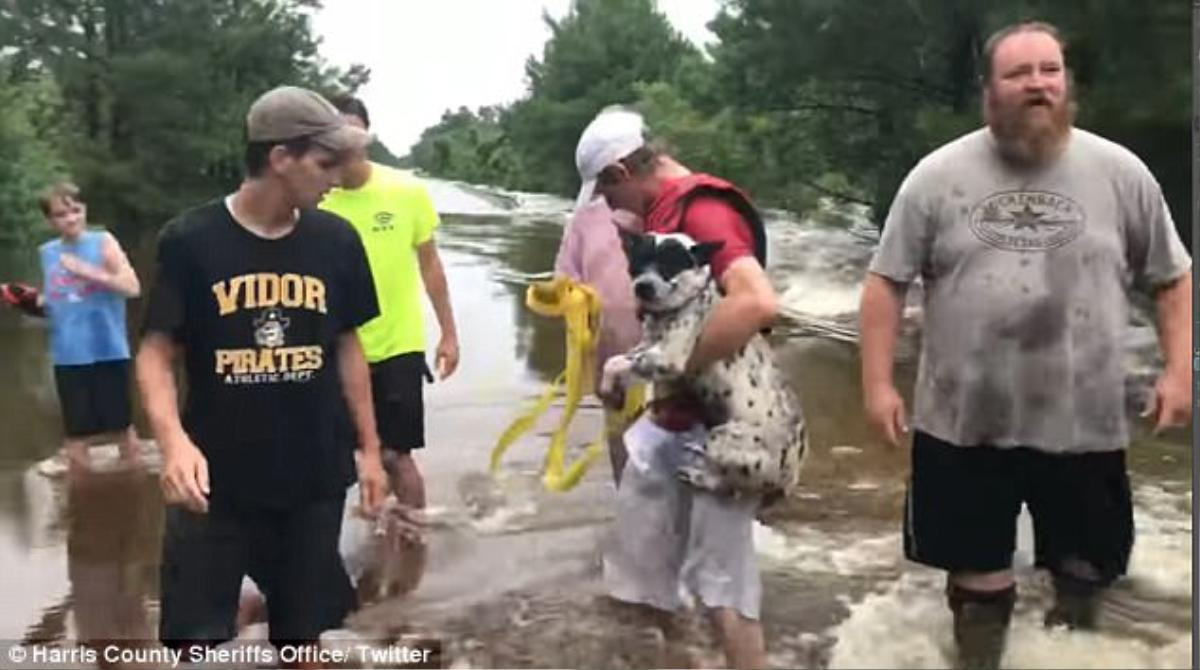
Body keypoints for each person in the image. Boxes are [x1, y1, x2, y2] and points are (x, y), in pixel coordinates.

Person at [858, 21, 1192, 669]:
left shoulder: (1122, 173)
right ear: (989, 91)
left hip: (1084, 422)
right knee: (977, 580)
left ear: (1067, 83)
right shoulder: (936, 176)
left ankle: (1071, 651)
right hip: (963, 423)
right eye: (1019, 74)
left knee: (1085, 569)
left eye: (1049, 70)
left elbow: (1173, 277)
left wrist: (1179, 371)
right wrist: (876, 385)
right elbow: (885, 282)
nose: (1037, 85)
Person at [135, 85, 388, 658]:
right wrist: (172, 443)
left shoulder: (337, 241)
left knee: (303, 637)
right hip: (214, 486)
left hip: (313, 478)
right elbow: (154, 352)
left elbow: (349, 346)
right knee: (193, 642)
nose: (339, 178)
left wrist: (370, 449)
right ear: (280, 159)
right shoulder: (190, 242)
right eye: (326, 163)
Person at [579, 105, 778, 670]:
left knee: (723, 588)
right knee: (640, 572)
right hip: (678, 421)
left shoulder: (704, 212)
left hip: (726, 430)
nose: (611, 209)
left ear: (620, 174)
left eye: (607, 194)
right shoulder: (671, 211)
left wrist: (661, 366)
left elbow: (758, 302)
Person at [320, 95, 459, 512]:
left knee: (396, 457)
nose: (344, 146)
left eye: (352, 134)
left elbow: (430, 264)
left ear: (366, 136)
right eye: (334, 136)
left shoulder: (405, 191)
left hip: (396, 346)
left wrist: (449, 334)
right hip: (333, 348)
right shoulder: (313, 198)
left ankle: (415, 542)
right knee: (333, 459)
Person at [9, 183, 142, 472]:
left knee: (122, 430)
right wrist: (26, 300)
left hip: (108, 349)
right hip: (68, 354)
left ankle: (132, 490)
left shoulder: (103, 242)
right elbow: (57, 302)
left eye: (75, 210)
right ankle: (81, 504)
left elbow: (132, 287)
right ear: (50, 220)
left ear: (84, 210)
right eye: (61, 214)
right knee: (76, 435)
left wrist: (89, 271)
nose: (70, 219)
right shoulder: (47, 252)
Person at [553, 197, 643, 484]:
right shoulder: (584, 220)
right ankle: (631, 514)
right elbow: (564, 283)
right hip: (612, 360)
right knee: (624, 450)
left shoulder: (673, 210)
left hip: (675, 363)